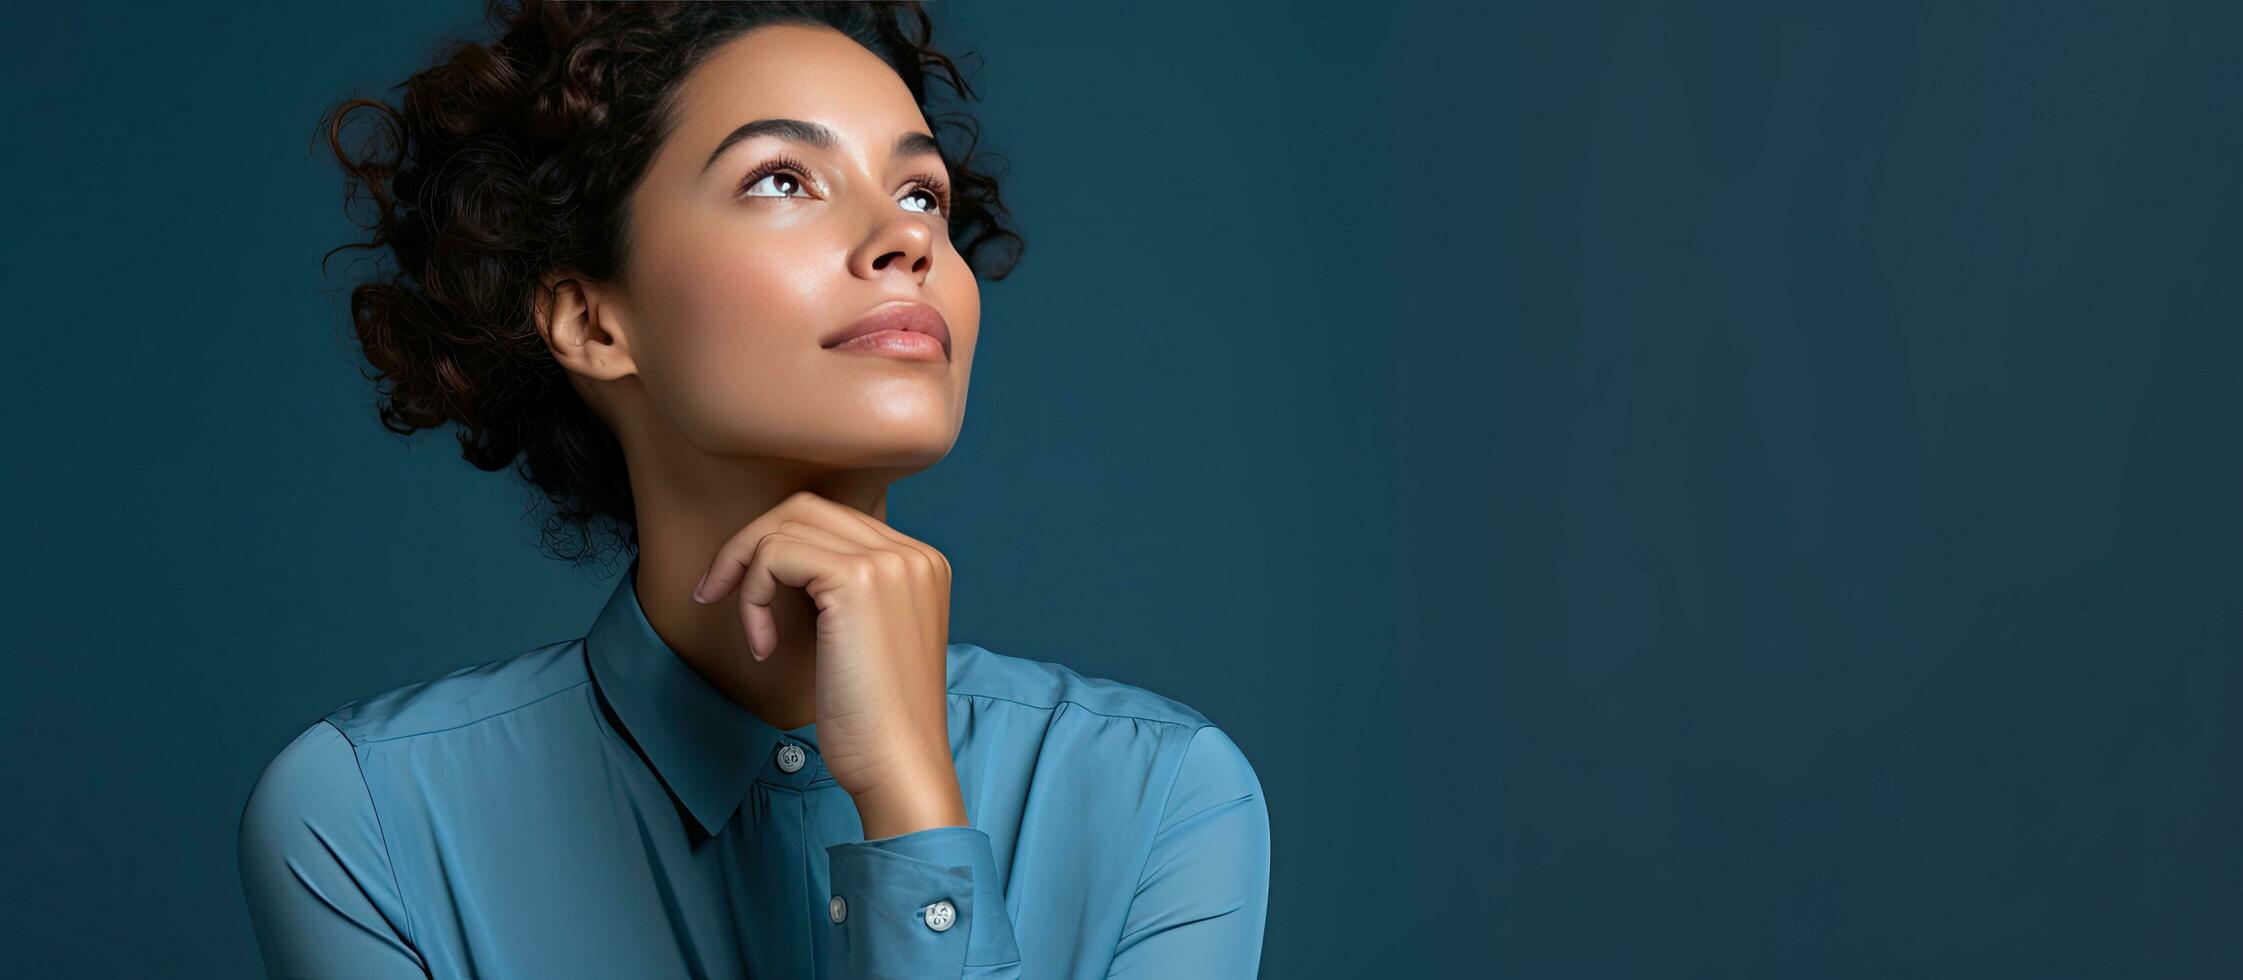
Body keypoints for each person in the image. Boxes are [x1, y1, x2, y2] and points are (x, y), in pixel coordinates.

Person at [234, 3, 1270, 977]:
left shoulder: (1162, 795)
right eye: (782, 180)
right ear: (592, 322)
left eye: (921, 194)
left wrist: (910, 799)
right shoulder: (367, 813)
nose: (908, 237)